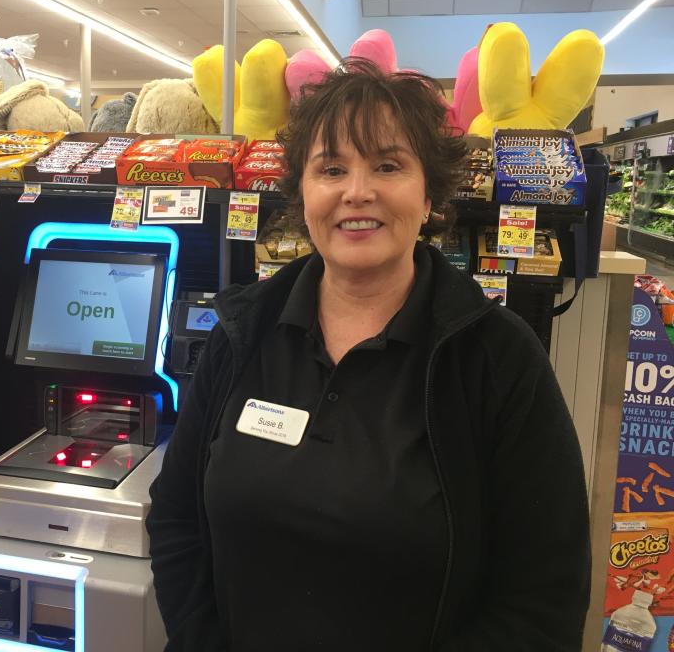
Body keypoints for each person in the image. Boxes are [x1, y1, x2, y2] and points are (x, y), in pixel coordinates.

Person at [146, 59, 591, 651]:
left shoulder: (497, 357)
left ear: (430, 193)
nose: (358, 191)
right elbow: (176, 517)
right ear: (302, 192)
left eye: (388, 165)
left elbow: (544, 595)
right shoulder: (242, 330)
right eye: (331, 168)